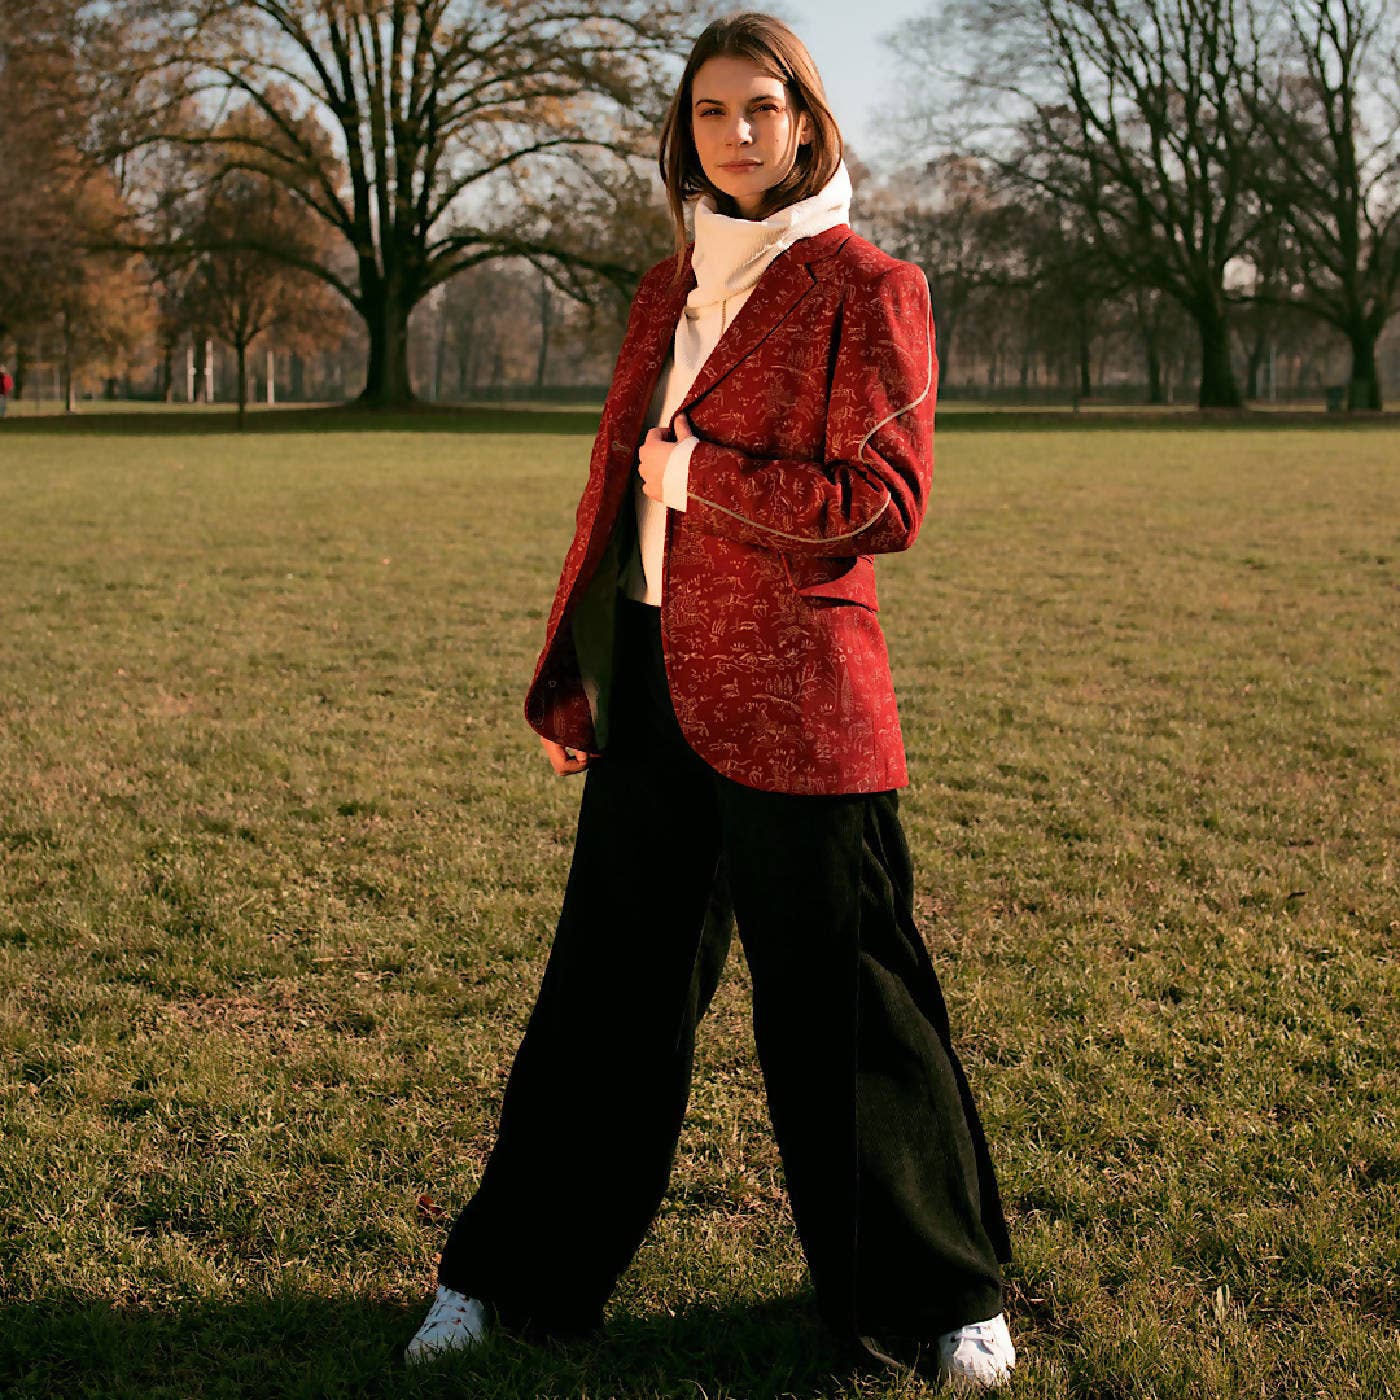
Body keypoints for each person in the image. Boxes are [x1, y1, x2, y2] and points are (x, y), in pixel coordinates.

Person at [406, 12, 1016, 1389]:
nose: (737, 133)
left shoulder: (870, 285)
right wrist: (581, 664)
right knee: (604, 1005)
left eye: (762, 108)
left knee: (850, 1014)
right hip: (651, 688)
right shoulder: (663, 288)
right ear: (683, 132)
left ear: (807, 121)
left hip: (802, 698)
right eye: (710, 111)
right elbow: (613, 492)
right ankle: (508, 1283)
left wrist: (703, 478)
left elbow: (885, 503)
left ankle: (940, 1298)